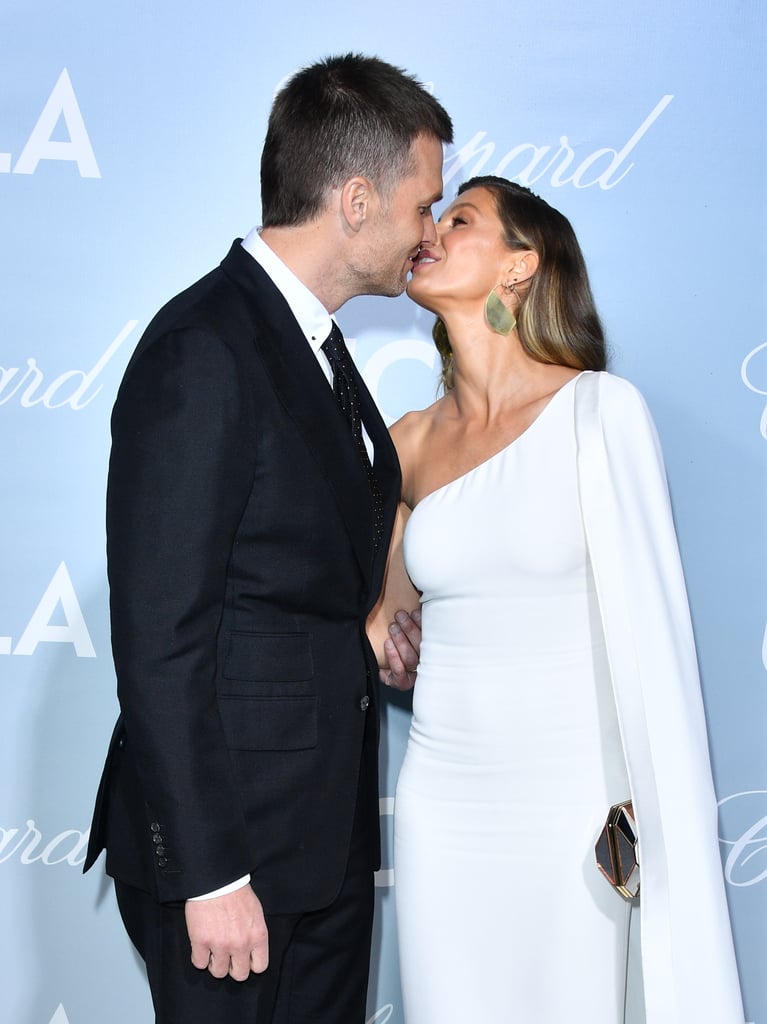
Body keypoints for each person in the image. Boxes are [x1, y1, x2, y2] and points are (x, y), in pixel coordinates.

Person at [83, 53, 452, 1024]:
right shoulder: (205, 346)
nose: (427, 234)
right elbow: (162, 635)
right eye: (423, 204)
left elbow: (290, 577)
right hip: (232, 859)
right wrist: (208, 871)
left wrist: (366, 629)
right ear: (357, 198)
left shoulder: (316, 347)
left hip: (321, 845)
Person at [368, 175, 745, 1022]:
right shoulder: (406, 441)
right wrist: (379, 627)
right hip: (444, 807)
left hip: (573, 806)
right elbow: (385, 625)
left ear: (519, 266)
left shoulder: (598, 413)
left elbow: (653, 637)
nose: (431, 230)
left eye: (459, 219)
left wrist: (650, 805)